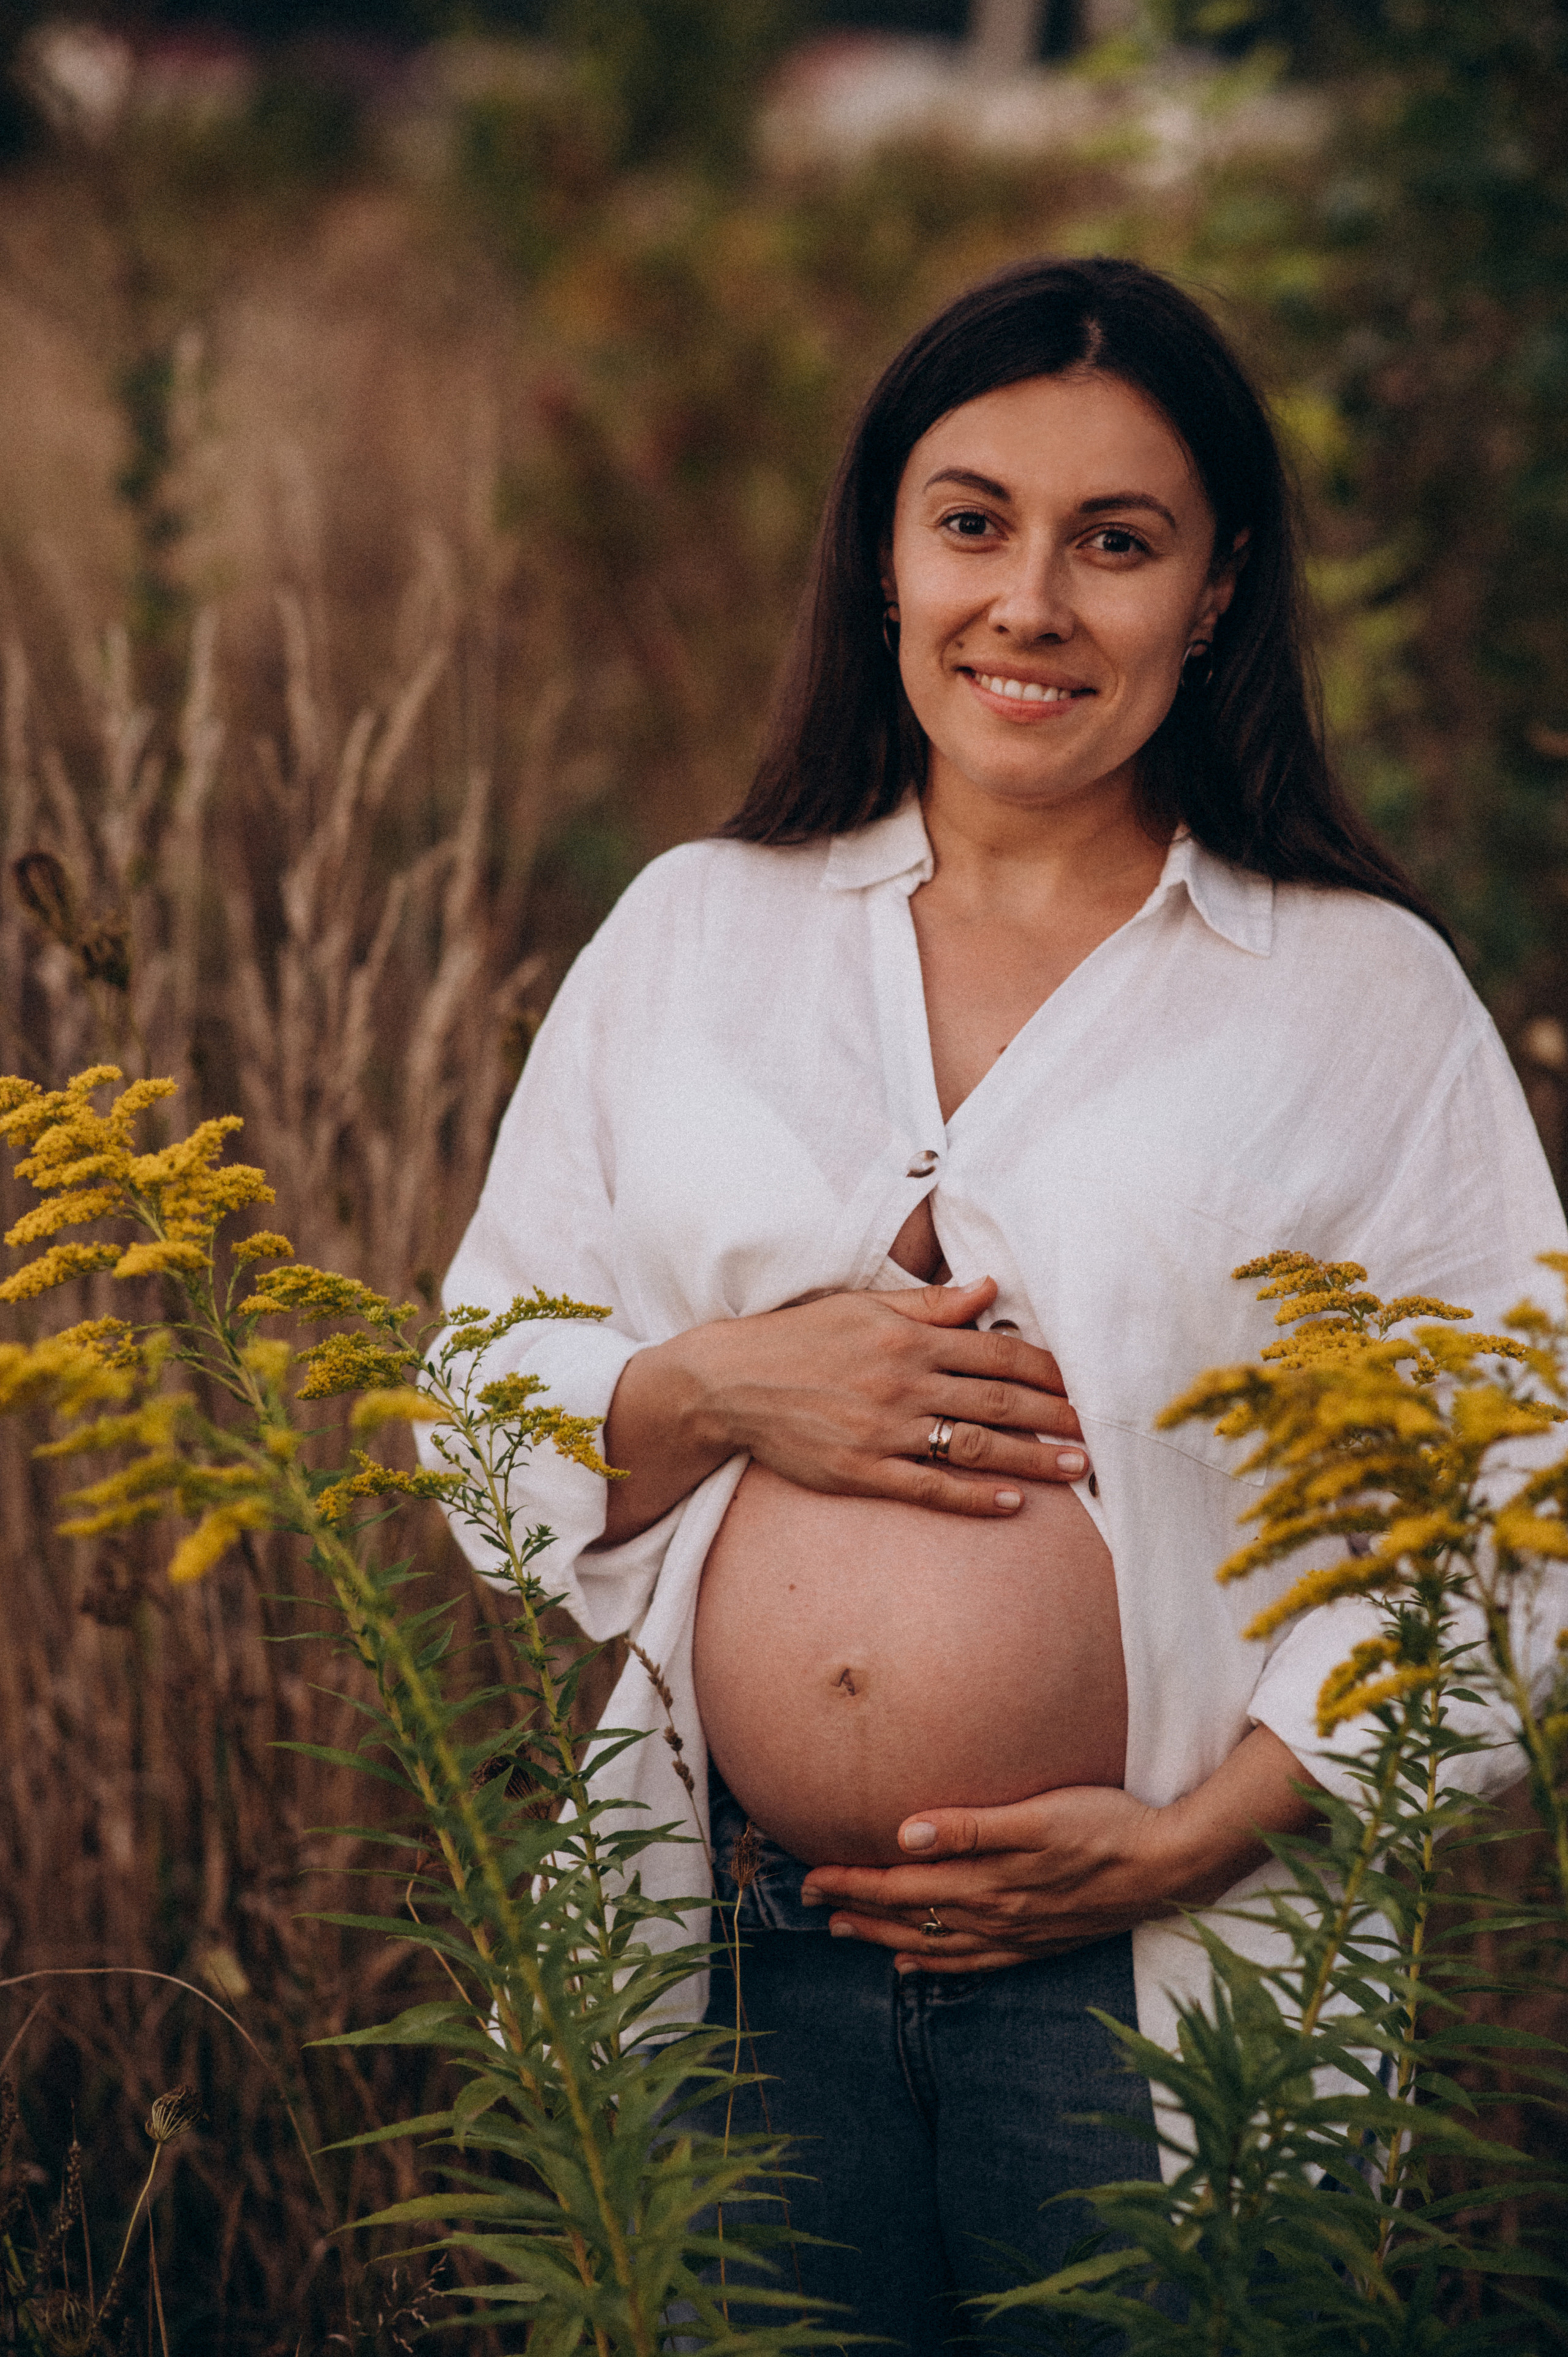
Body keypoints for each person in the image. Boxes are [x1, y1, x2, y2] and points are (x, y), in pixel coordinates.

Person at [431, 257, 1567, 2347]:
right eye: (972, 523)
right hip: (727, 1962)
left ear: (1216, 592)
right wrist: (723, 1388)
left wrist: (1194, 1841)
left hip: (1151, 2004)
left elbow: (1524, 1491)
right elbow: (473, 1402)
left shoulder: (1352, 997)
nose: (1029, 602)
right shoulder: (697, 933)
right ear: (886, 556)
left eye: (1114, 543)